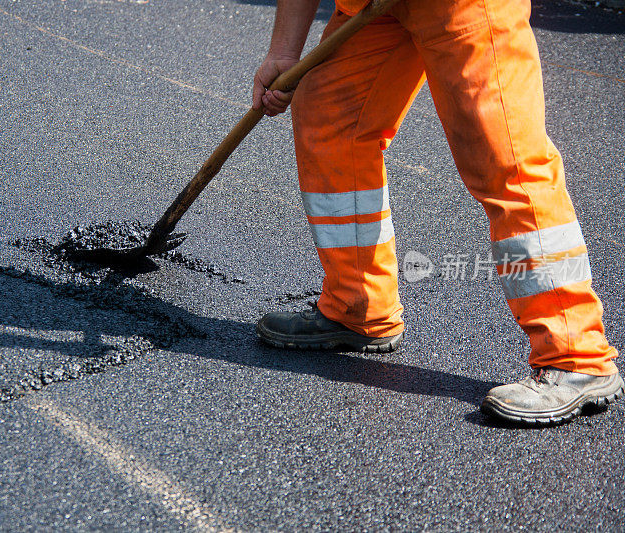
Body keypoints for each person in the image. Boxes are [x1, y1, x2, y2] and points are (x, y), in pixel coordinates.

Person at [252, 0, 623, 425]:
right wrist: (283, 50)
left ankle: (576, 354)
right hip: (372, 6)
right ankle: (357, 305)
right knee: (330, 115)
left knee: (504, 156)